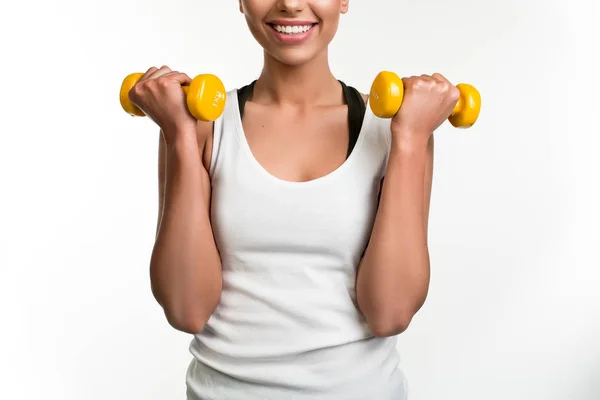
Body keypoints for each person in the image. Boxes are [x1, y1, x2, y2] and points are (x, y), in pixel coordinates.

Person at [128, 1, 461, 398]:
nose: (289, 3)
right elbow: (186, 309)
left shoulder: (398, 126)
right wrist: (179, 136)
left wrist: (409, 140)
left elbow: (390, 313)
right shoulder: (199, 126)